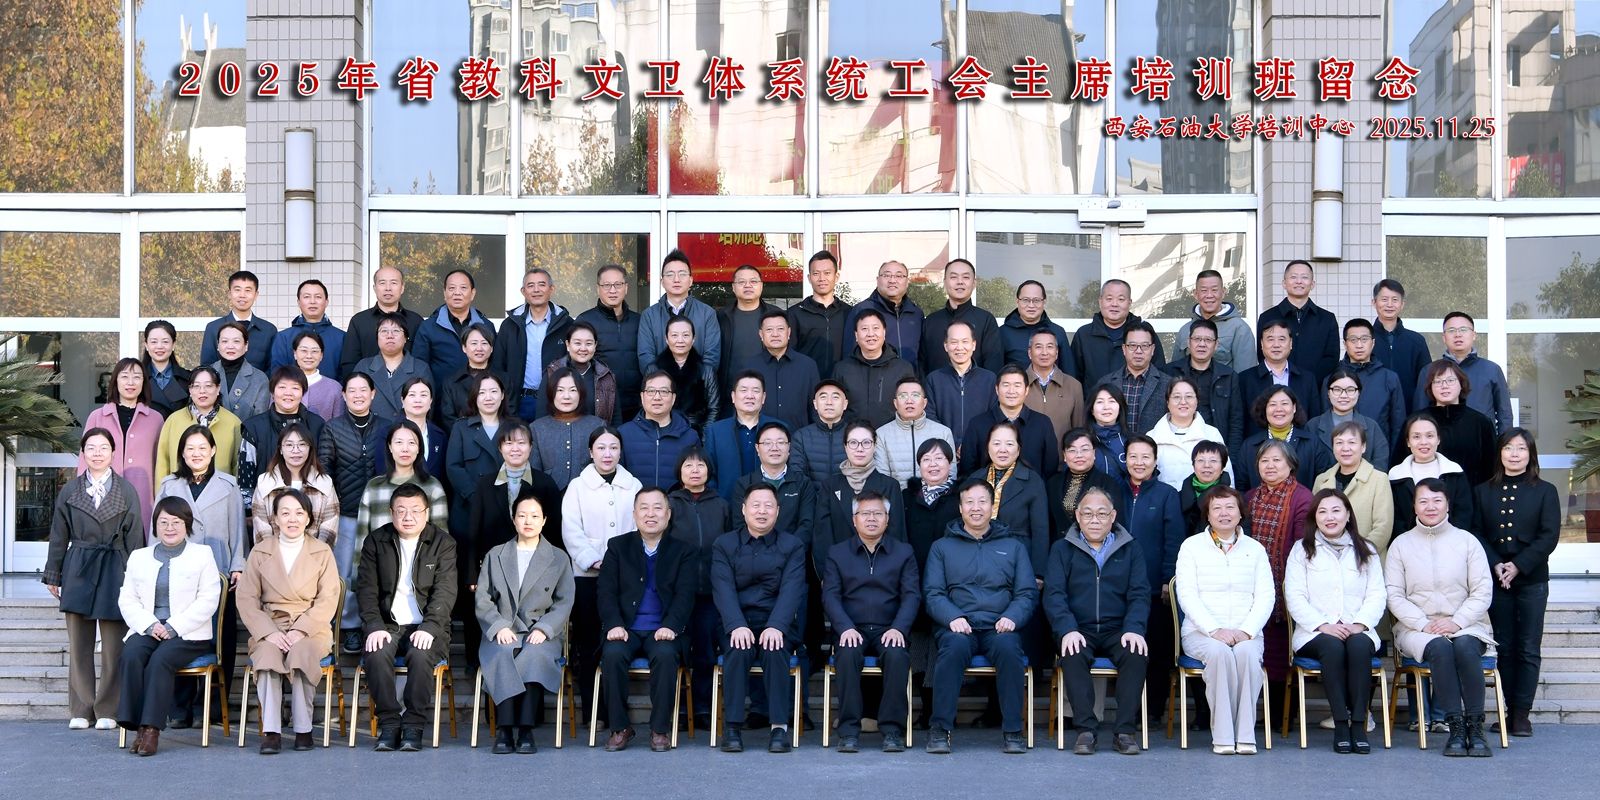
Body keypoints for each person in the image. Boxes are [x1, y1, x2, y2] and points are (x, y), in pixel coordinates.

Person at [923, 479, 1037, 755]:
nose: (976, 508)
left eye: (982, 501)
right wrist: (952, 617)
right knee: (952, 649)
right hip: (958, 626)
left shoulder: (1013, 546)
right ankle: (940, 729)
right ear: (960, 508)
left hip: (999, 626)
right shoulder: (942, 547)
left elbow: (1026, 593)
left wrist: (1012, 617)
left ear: (992, 506)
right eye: (970, 502)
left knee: (1010, 649)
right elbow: (933, 593)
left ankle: (1013, 731)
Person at [1386, 480, 1497, 757]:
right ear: (1414, 506)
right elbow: (1394, 595)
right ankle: (1455, 727)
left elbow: (1482, 590)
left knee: (1465, 646)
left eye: (1437, 500)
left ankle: (1475, 727)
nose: (1430, 507)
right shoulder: (1401, 545)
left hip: (1466, 624)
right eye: (1423, 501)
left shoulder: (1467, 541)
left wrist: (1457, 621)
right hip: (1417, 628)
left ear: (1447, 504)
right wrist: (1423, 624)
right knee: (1439, 648)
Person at [46, 428, 140, 730]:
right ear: (83, 453)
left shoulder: (126, 491)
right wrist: (53, 573)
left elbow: (135, 538)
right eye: (91, 447)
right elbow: (58, 534)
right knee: (79, 643)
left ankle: (109, 708)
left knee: (114, 645)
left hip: (115, 567)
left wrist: (137, 578)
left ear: (113, 452)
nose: (97, 453)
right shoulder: (70, 490)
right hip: (78, 565)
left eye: (103, 447)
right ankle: (81, 708)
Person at [1045, 487, 1149, 756]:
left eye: (1102, 514)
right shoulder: (1062, 549)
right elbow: (1054, 595)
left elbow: (1139, 594)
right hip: (1079, 628)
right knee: (1072, 651)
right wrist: (1067, 629)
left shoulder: (1131, 548)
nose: (1095, 520)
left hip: (1118, 629)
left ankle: (1124, 731)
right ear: (1078, 516)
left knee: (1136, 652)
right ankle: (1086, 730)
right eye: (1088, 514)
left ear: (1112, 516)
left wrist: (1134, 628)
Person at [236, 488, 341, 754]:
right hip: (270, 625)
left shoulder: (322, 552)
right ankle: (271, 731)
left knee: (302, 652)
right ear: (274, 519)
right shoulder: (260, 551)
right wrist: (268, 632)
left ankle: (303, 729)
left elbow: (328, 598)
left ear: (308, 518)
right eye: (285, 513)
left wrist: (301, 630)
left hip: (311, 627)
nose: (292, 519)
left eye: (299, 513)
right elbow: (246, 597)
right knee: (267, 656)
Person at [115, 496, 223, 756]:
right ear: (155, 526)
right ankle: (136, 726)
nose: (170, 527)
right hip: (149, 627)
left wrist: (173, 626)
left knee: (160, 660)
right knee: (131, 654)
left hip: (188, 633)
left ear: (187, 525)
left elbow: (209, 599)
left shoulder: (202, 554)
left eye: (176, 522)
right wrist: (150, 624)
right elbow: (127, 598)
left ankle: (151, 730)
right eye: (163, 522)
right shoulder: (139, 556)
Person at [154, 425, 246, 723]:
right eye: (190, 448)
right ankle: (179, 707)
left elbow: (238, 530)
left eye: (202, 448)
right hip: (178, 569)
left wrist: (238, 564)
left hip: (217, 569)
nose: (197, 454)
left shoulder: (228, 485)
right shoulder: (170, 485)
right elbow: (157, 529)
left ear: (213, 451)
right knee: (180, 632)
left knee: (221, 636)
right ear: (182, 452)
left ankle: (213, 705)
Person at [356, 483, 458, 752]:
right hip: (388, 625)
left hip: (427, 625)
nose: (408, 517)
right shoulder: (376, 541)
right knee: (376, 652)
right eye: (401, 511)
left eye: (415, 510)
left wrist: (430, 626)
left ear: (427, 513)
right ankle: (389, 723)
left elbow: (445, 592)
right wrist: (374, 625)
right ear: (391, 513)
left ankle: (413, 724)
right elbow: (366, 590)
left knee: (420, 654)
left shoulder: (443, 543)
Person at [1284, 489, 1386, 754]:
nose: (1330, 517)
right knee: (1332, 646)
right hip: (1315, 632)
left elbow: (1377, 594)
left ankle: (1359, 724)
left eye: (1336, 510)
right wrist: (1323, 625)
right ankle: (1341, 723)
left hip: (1357, 627)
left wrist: (1360, 624)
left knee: (1359, 645)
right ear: (1314, 517)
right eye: (1322, 512)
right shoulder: (1302, 550)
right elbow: (1295, 595)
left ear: (1348, 514)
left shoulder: (1366, 549)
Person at [1175, 485, 1274, 755]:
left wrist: (1247, 631)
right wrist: (1214, 629)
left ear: (1241, 513)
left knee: (1246, 655)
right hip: (1201, 633)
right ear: (1207, 515)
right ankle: (1223, 735)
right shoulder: (1191, 547)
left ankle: (1245, 735)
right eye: (1216, 508)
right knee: (1219, 654)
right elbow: (1187, 595)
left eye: (1230, 507)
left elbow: (1266, 596)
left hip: (1246, 633)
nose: (1224, 513)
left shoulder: (1255, 549)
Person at [475, 487, 575, 754]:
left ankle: (526, 729)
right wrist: (498, 626)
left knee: (534, 654)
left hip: (540, 631)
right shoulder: (495, 555)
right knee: (503, 652)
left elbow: (564, 601)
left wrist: (545, 628)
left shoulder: (558, 558)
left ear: (544, 520)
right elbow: (483, 598)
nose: (528, 521)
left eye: (534, 515)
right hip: (503, 629)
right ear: (513, 519)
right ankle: (505, 729)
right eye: (522, 515)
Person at [1474, 429, 1559, 738]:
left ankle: (1522, 714)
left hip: (1532, 579)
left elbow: (1549, 535)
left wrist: (1519, 565)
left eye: (1521, 448)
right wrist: (1497, 562)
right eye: (1508, 448)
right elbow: (1476, 531)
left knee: (1528, 647)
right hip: (1498, 579)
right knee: (1506, 647)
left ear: (1530, 454)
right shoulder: (1483, 491)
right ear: (1499, 453)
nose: (1514, 454)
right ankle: (1507, 711)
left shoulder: (1545, 491)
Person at [711, 484, 808, 753]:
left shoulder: (792, 545)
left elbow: (792, 590)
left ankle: (779, 727)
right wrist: (736, 625)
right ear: (743, 510)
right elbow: (722, 588)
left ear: (778, 511)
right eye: (755, 505)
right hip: (737, 620)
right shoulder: (724, 544)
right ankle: (732, 727)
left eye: (768, 506)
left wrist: (776, 626)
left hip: (776, 620)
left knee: (775, 649)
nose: (762, 511)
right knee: (737, 649)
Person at [596, 488, 694, 752]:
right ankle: (620, 728)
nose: (651, 514)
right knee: (612, 654)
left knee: (665, 654)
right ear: (634, 514)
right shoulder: (618, 546)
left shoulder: (683, 550)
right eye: (644, 508)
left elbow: (686, 594)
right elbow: (606, 591)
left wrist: (671, 625)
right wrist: (614, 623)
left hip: (663, 629)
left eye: (657, 508)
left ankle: (659, 729)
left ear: (668, 514)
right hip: (625, 628)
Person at [823, 491, 919, 753]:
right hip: (851, 628)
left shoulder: (903, 552)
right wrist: (845, 628)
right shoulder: (838, 553)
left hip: (889, 628)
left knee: (897, 656)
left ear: (887, 519)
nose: (872, 519)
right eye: (865, 514)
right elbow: (830, 595)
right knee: (847, 654)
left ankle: (892, 731)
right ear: (854, 519)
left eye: (878, 513)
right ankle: (848, 731)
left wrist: (899, 628)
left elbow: (911, 595)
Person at [462, 421, 563, 666]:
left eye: (521, 442)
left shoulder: (545, 483)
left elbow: (555, 532)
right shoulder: (485, 484)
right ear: (500, 447)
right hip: (494, 568)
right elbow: (473, 530)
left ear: (531, 447)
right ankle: (480, 670)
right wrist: (472, 572)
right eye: (508, 443)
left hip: (534, 567)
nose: (515, 448)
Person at [561, 426, 641, 718]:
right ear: (590, 452)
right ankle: (592, 711)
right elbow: (571, 530)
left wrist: (622, 563)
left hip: (625, 579)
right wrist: (592, 560)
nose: (608, 454)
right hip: (587, 577)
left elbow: (640, 527)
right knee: (587, 642)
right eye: (601, 448)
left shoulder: (633, 485)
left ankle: (616, 708)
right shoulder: (577, 486)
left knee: (617, 640)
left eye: (614, 448)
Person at [318, 372, 391, 653]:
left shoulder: (386, 427)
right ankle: (348, 627)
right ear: (344, 395)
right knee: (346, 572)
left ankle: (379, 622)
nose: (358, 395)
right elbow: (324, 469)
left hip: (381, 511)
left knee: (381, 569)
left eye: (363, 390)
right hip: (346, 512)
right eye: (352, 390)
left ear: (373, 394)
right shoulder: (332, 428)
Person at [1120, 436, 1185, 720]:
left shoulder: (1166, 494)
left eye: (1146, 457)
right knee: (1128, 648)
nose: (1139, 462)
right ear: (1125, 459)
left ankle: (1153, 712)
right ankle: (1128, 709)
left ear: (1155, 461)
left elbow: (1174, 540)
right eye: (1133, 456)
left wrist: (1168, 580)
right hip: (1118, 585)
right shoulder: (1115, 491)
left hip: (1154, 587)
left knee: (1156, 650)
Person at [666, 447, 730, 728]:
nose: (695, 470)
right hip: (678, 592)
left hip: (710, 592)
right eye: (689, 465)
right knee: (677, 650)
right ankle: (679, 708)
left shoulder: (721, 504)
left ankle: (702, 708)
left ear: (709, 470)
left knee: (704, 651)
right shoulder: (670, 504)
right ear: (679, 471)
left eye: (700, 465)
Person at [1244, 439, 1314, 696]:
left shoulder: (1302, 497)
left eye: (1276, 460)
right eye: (1264, 460)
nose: (1270, 466)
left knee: (1280, 655)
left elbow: (1302, 547)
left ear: (1290, 464)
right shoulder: (1249, 497)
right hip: (1251, 586)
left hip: (1285, 587)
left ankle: (1283, 712)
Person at [354, 421, 450, 573]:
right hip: (379, 572)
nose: (405, 448)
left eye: (411, 443)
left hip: (421, 573)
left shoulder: (432, 487)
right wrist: (358, 577)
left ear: (419, 448)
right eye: (399, 442)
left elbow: (441, 540)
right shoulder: (374, 488)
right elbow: (362, 539)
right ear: (390, 447)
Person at [80, 357, 162, 532]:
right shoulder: (97, 417)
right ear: (115, 380)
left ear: (144, 382)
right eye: (124, 376)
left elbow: (160, 462)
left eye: (137, 377)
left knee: (139, 543)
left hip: (143, 497)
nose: (130, 382)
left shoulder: (156, 419)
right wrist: (83, 494)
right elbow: (84, 460)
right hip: (103, 496)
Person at [237, 366, 326, 512]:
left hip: (311, 508)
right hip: (265, 508)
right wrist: (248, 512)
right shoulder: (254, 427)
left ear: (303, 392)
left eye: (295, 388)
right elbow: (245, 475)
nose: (288, 393)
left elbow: (324, 468)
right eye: (282, 387)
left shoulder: (317, 425)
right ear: (272, 392)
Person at [495, 267, 573, 421]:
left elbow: (574, 364)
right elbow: (498, 366)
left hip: (555, 400)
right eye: (530, 285)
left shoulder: (566, 324)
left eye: (542, 284)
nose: (536, 290)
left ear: (551, 289)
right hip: (519, 401)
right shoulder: (510, 325)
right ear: (523, 291)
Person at [1415, 312, 1512, 435]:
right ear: (1444, 337)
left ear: (1474, 335)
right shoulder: (1429, 370)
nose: (1458, 334)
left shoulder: (1491, 369)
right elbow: (1419, 412)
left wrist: (1503, 442)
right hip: (1441, 440)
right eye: (1451, 330)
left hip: (1482, 439)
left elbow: (1505, 414)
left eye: (1463, 329)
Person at [979, 422, 1051, 580]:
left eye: (1009, 444)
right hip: (979, 557)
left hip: (1018, 557)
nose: (1002, 449)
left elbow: (1040, 530)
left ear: (1018, 449)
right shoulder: (975, 479)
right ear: (988, 447)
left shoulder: (1032, 480)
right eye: (996, 443)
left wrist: (1038, 573)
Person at [960, 365, 1061, 478]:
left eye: (1017, 385)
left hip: (1033, 488)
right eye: (1006, 385)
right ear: (997, 389)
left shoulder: (1042, 423)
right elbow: (968, 469)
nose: (1011, 391)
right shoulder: (978, 424)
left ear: (1026, 390)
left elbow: (1050, 468)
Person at [1166, 317, 1244, 462]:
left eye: (1208, 340)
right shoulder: (1170, 372)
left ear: (1216, 344)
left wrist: (1230, 458)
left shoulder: (1228, 376)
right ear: (1189, 342)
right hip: (1176, 446)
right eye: (1197, 339)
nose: (1202, 344)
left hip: (1215, 449)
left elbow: (1236, 421)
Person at [444, 373, 510, 543]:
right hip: (469, 508)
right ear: (474, 396)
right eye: (482, 392)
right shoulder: (461, 427)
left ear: (502, 395)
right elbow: (453, 466)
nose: (488, 397)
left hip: (504, 508)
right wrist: (476, 497)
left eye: (494, 391)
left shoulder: (514, 428)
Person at [1313, 422, 1396, 556]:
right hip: (1327, 558)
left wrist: (1357, 554)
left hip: (1366, 557)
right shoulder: (1322, 480)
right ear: (1333, 447)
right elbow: (1314, 522)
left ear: (1363, 447)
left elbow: (1383, 527)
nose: (1345, 448)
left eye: (1352, 442)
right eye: (1339, 443)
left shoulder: (1379, 479)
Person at [636, 252, 723, 379]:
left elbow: (711, 357)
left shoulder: (707, 314)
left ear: (691, 280)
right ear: (662, 282)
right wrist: (664, 384)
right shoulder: (649, 315)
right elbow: (646, 358)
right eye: (670, 274)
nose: (676, 279)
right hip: (660, 388)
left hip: (697, 387)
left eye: (682, 274)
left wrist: (690, 383)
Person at [249, 423, 338, 545]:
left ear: (310, 448)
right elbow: (261, 528)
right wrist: (273, 553)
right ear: (280, 449)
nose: (296, 450)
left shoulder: (324, 482)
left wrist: (315, 552)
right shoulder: (265, 482)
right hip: (274, 554)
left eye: (302, 444)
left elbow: (329, 526)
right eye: (289, 445)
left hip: (314, 554)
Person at [818, 421, 901, 551]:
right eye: (853, 443)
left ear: (875, 446)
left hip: (880, 561)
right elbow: (822, 536)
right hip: (838, 561)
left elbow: (896, 535)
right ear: (845, 446)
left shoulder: (890, 486)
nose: (860, 448)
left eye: (866, 443)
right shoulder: (830, 485)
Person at [577, 265, 644, 424]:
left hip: (637, 405)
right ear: (598, 289)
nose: (612, 290)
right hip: (599, 405)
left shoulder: (640, 321)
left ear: (626, 288)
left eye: (618, 284)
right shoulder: (585, 321)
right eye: (607, 285)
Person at [1257, 261, 1340, 385]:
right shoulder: (1267, 317)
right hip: (1276, 387)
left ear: (1312, 284)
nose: (1299, 281)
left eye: (1304, 277)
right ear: (1284, 283)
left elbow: (1331, 358)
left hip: (1314, 388)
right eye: (1293, 277)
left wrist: (1308, 382)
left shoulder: (1327, 319)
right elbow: (1262, 353)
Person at [1389, 414, 1475, 533]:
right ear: (1408, 442)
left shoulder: (1454, 472)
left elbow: (1464, 514)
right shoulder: (1395, 476)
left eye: (1429, 436)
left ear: (1438, 439)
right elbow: (1395, 519)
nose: (1423, 442)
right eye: (1416, 437)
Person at [834, 309, 918, 429]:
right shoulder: (842, 369)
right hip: (854, 437)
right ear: (856, 335)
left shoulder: (903, 369)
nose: (870, 334)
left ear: (884, 332)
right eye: (864, 329)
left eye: (875, 328)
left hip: (892, 435)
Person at [1419, 359, 1498, 486]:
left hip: (1472, 494)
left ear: (1461, 384)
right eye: (1438, 381)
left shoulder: (1481, 423)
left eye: (1450, 380)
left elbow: (1491, 467)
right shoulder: (1418, 422)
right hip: (1428, 495)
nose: (1444, 386)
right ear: (1430, 387)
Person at [1238, 320, 1323, 438]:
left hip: (1299, 446)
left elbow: (1314, 420)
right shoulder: (1245, 379)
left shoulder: (1307, 379)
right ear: (1262, 344)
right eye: (1270, 339)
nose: (1276, 345)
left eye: (1282, 339)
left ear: (1291, 343)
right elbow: (1238, 422)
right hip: (1258, 446)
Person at [1238, 387, 1334, 491]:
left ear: (1294, 408)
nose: (1279, 409)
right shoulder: (1250, 446)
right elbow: (1241, 486)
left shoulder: (1312, 443)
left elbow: (1324, 483)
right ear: (1265, 409)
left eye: (1284, 403)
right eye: (1272, 404)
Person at [155, 366, 241, 481]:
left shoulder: (233, 423)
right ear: (190, 390)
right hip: (179, 490)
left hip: (220, 490)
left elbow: (237, 466)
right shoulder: (173, 421)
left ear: (218, 388)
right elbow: (162, 463)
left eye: (208, 386)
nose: (202, 391)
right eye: (196, 386)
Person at [1074, 280, 1164, 389]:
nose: (1114, 304)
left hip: (1135, 398)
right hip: (1096, 399)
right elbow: (1075, 378)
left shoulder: (1144, 332)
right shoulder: (1084, 335)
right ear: (1100, 301)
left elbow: (1159, 373)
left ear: (1129, 302)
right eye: (1109, 299)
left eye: (1121, 299)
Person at [1331, 318, 1407, 448]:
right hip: (1342, 452)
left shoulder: (1389, 378)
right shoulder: (1333, 378)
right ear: (1345, 344)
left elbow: (1398, 426)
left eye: (1364, 339)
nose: (1359, 345)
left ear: (1373, 343)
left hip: (1379, 451)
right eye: (1353, 340)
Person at [619, 370, 702, 489]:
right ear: (642, 396)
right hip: (635, 500)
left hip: (677, 501)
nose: (657, 397)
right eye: (651, 391)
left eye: (664, 391)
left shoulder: (690, 437)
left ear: (673, 398)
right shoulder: (624, 433)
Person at [412, 269, 493, 390]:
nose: (457, 293)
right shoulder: (428, 327)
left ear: (472, 293)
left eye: (463, 288)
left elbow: (495, 365)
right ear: (444, 293)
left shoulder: (486, 326)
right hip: (441, 397)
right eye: (451, 288)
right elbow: (419, 367)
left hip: (480, 396)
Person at [1087, 322, 1172, 436]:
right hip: (1112, 446)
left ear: (1152, 349)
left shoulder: (1168, 384)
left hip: (1154, 446)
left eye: (1144, 346)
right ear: (1124, 349)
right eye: (1132, 345)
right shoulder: (1105, 383)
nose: (1138, 351)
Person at [1148, 379, 1232, 492]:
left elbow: (1227, 476)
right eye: (1177, 397)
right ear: (1167, 402)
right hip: (1163, 501)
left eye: (1189, 396)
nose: (1183, 402)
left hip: (1203, 501)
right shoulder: (1152, 436)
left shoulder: (1211, 434)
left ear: (1197, 401)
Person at [921, 258, 1002, 374]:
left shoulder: (986, 320)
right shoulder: (931, 321)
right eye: (954, 277)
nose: (960, 282)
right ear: (945, 282)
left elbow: (993, 366)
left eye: (966, 277)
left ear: (974, 283)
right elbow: (922, 366)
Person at [340, 266, 424, 379]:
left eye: (393, 283)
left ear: (402, 288)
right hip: (368, 386)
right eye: (382, 283)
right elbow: (349, 363)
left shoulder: (415, 321)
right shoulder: (359, 321)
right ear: (375, 288)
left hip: (408, 387)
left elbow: (421, 361)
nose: (388, 288)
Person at [925, 320, 998, 449]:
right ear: (946, 346)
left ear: (973, 345)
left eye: (965, 341)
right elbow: (930, 417)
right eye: (954, 342)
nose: (959, 347)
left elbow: (994, 416)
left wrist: (973, 444)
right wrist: (952, 443)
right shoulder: (934, 380)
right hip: (945, 451)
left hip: (981, 450)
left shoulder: (989, 379)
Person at [528, 367, 605, 490]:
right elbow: (534, 473)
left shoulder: (597, 425)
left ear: (581, 393)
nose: (566, 396)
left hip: (589, 494)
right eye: (560, 390)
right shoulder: (536, 428)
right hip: (548, 495)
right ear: (551, 393)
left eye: (573, 390)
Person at [704, 371, 776, 500]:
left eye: (756, 391)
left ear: (763, 397)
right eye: (743, 390)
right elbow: (709, 475)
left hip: (767, 506)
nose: (750, 396)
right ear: (733, 396)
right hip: (726, 505)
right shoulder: (715, 431)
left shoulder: (778, 429)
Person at [1047, 428, 1129, 539]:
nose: (1079, 455)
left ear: (1094, 453)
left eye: (1085, 449)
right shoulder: (1053, 483)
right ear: (1064, 455)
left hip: (1095, 546)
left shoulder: (1108, 484)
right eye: (1072, 450)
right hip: (1061, 546)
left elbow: (1117, 525)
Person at [1307, 368, 1393, 472]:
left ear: (1358, 393)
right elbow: (1307, 465)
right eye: (1337, 390)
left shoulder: (1372, 427)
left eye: (1350, 390)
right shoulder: (1313, 426)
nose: (1343, 395)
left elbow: (1380, 465)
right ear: (1328, 393)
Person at [875, 377, 954, 489]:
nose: (909, 401)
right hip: (897, 497)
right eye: (903, 396)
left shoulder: (943, 432)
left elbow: (951, 474)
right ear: (895, 403)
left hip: (937, 498)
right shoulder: (882, 434)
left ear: (924, 403)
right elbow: (882, 477)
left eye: (915, 395)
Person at [845, 259, 924, 370]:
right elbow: (850, 354)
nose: (892, 280)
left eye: (899, 276)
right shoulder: (862, 310)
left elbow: (922, 356)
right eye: (887, 275)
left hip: (910, 379)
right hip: (873, 378)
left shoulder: (916, 314)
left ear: (907, 282)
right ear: (877, 280)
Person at [786, 250, 852, 379]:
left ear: (836, 277)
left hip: (842, 383)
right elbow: (789, 354)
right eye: (816, 273)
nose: (822, 278)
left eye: (827, 273)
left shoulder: (849, 313)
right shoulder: (794, 314)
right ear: (809, 278)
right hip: (806, 382)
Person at [1174, 269, 1256, 372]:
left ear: (1223, 292)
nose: (1209, 295)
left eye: (1214, 290)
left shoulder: (1239, 328)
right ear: (1196, 294)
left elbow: (1246, 374)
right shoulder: (1185, 330)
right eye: (1204, 290)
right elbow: (1175, 372)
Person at [716, 264, 783, 390]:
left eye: (753, 281)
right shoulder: (721, 317)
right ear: (733, 287)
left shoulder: (776, 315)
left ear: (761, 285)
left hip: (769, 387)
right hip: (730, 390)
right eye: (742, 282)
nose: (748, 285)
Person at [1368, 278, 1431, 412]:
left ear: (1402, 304)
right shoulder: (1364, 339)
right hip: (1372, 413)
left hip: (1410, 413)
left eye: (1395, 300)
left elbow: (1426, 381)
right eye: (1384, 299)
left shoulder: (1416, 341)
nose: (1389, 304)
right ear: (1374, 302)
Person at [753, 309, 820, 432]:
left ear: (788, 332)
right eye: (769, 330)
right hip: (760, 438)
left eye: (780, 329)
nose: (775, 334)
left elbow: (815, 408)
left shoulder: (807, 365)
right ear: (761, 334)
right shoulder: (750, 366)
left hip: (799, 438)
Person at [354, 312, 429, 422]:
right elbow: (353, 404)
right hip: (371, 430)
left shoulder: (421, 368)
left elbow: (429, 408)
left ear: (406, 338)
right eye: (384, 331)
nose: (390, 335)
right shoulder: (363, 367)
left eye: (396, 331)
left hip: (410, 431)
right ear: (377, 337)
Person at [199, 269, 277, 371]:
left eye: (248, 290)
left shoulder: (268, 330)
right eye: (237, 290)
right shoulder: (213, 328)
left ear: (256, 295)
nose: (242, 295)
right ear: (229, 293)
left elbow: (272, 369)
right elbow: (206, 367)